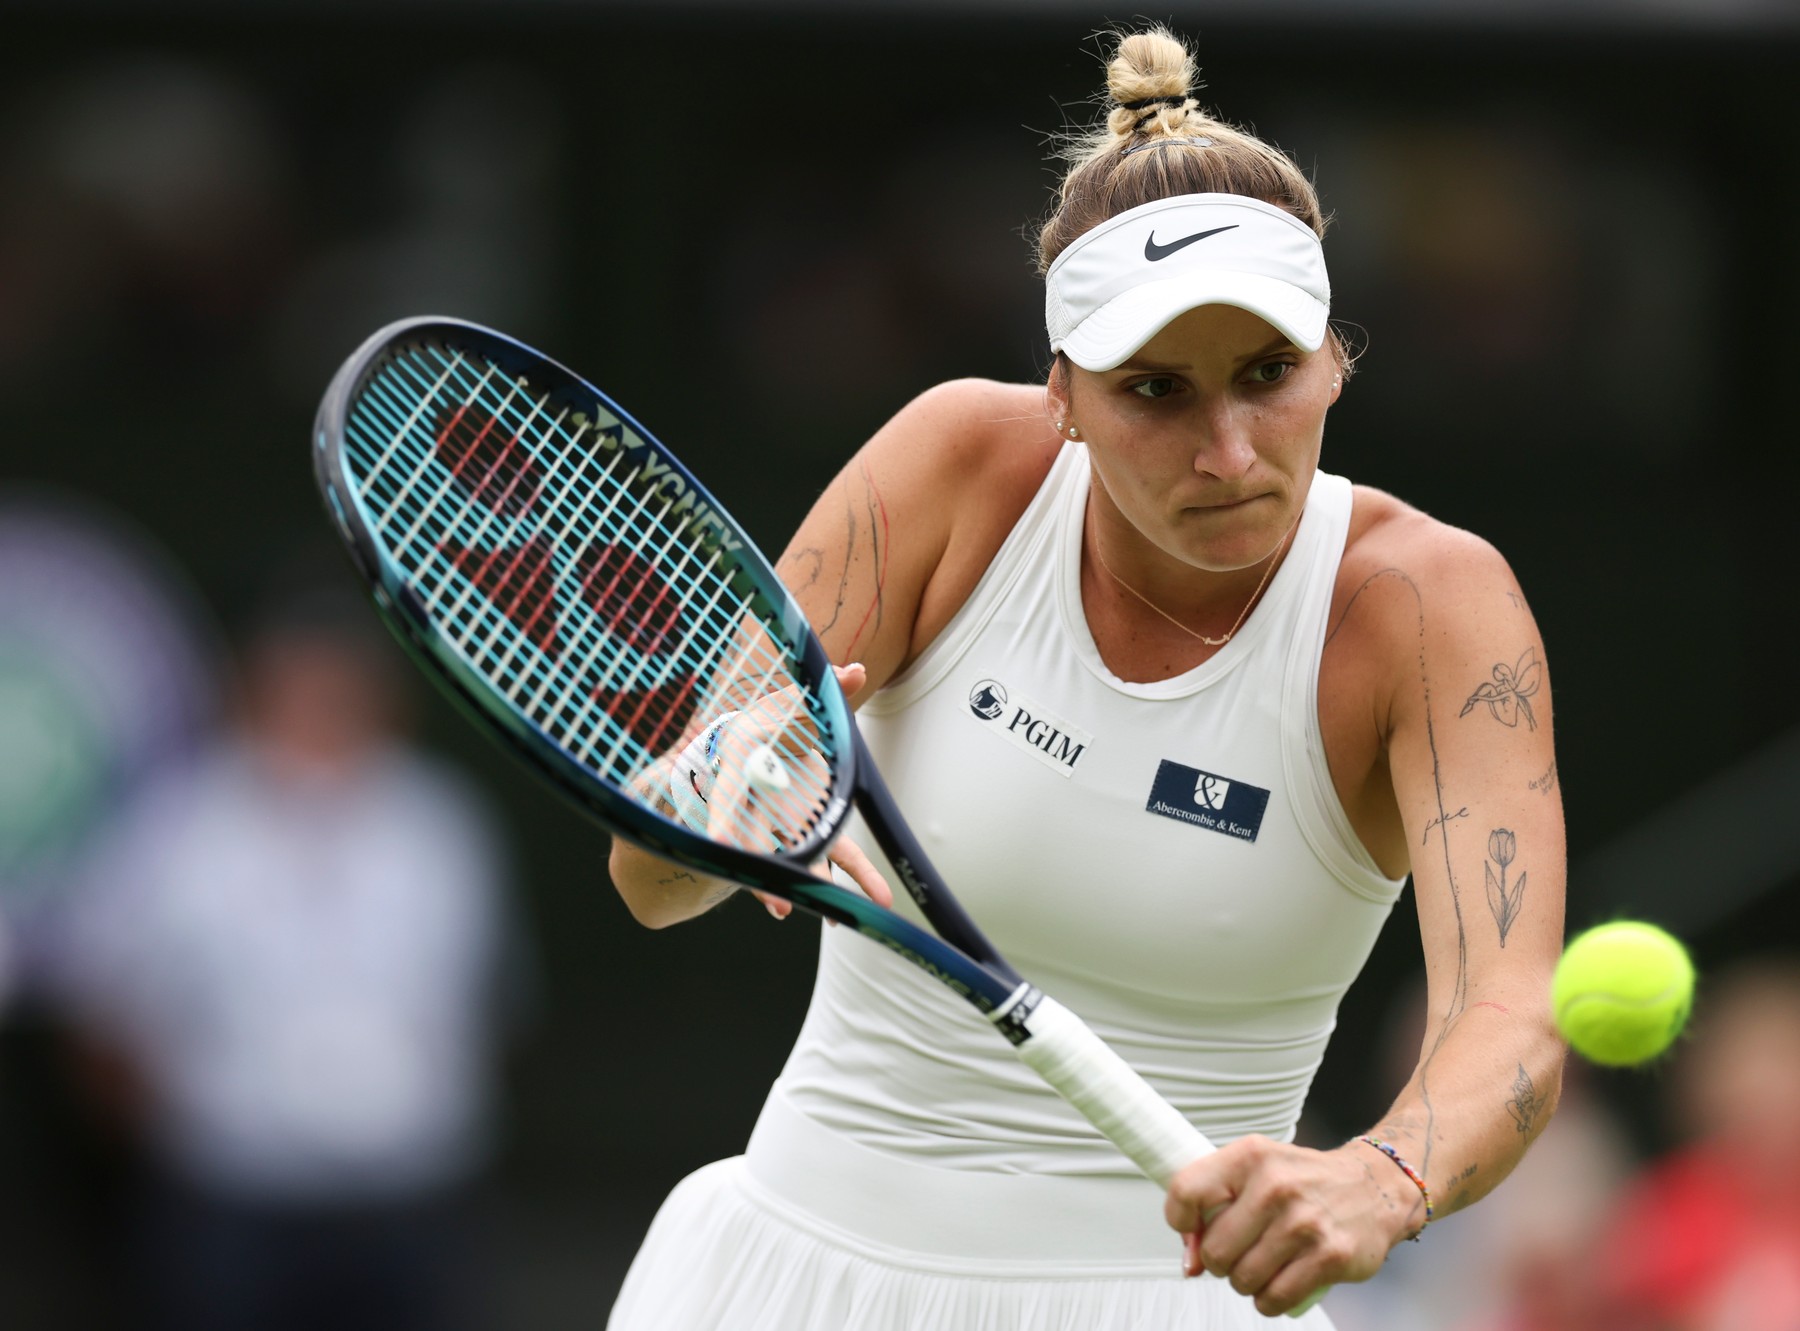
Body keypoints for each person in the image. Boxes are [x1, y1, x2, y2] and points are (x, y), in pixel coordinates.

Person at [607, 25, 1567, 1329]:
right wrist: (713, 799)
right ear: (1061, 392)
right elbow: (652, 881)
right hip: (797, 1279)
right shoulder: (955, 465)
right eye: (1157, 390)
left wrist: (1382, 1175)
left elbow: (1509, 1016)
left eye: (1270, 375)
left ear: (1337, 357)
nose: (1229, 451)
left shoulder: (1431, 605)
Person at [52, 586, 522, 1331]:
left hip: (412, 1208)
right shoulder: (180, 828)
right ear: (251, 695)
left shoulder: (441, 827)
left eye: (341, 691)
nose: (320, 712)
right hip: (232, 1211)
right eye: (299, 690)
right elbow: (105, 1016)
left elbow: (490, 1004)